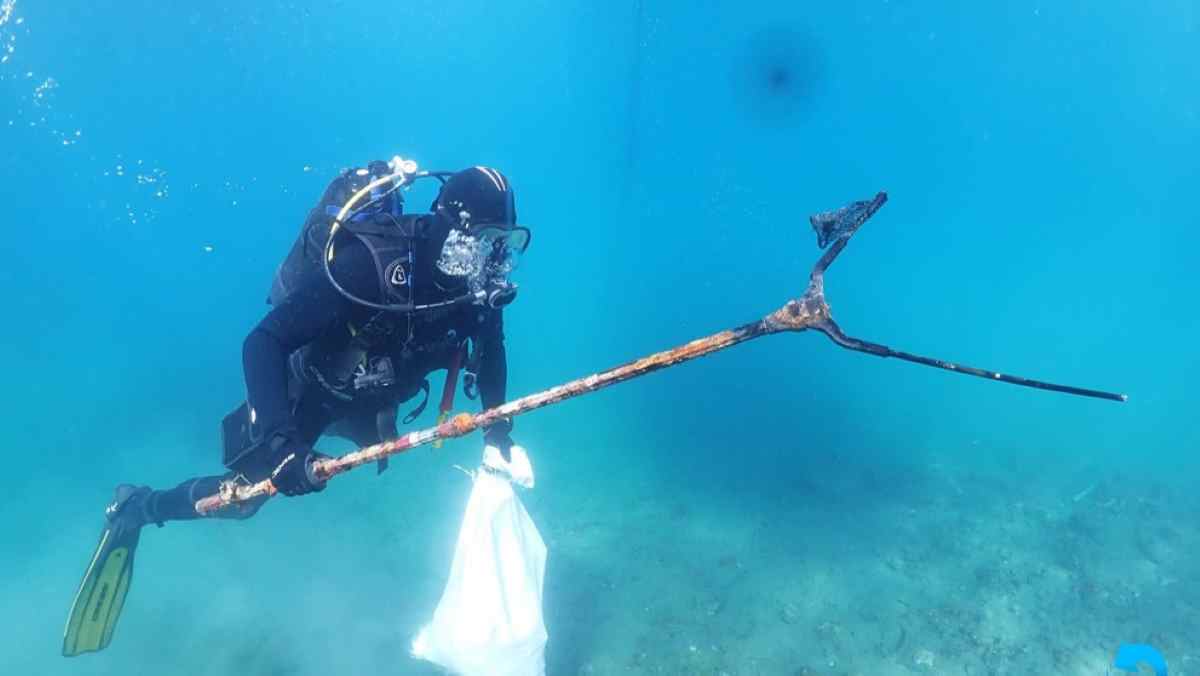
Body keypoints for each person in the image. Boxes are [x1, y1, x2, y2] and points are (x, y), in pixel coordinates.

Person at [63, 159, 531, 656]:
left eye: (502, 241)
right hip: (315, 392)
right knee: (243, 499)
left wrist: (497, 434)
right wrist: (283, 446)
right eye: (478, 238)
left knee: (365, 434)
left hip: (378, 395)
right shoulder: (369, 268)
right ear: (445, 226)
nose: (489, 256)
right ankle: (137, 506)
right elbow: (262, 343)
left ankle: (356, 426)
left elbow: (491, 351)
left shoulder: (476, 289)